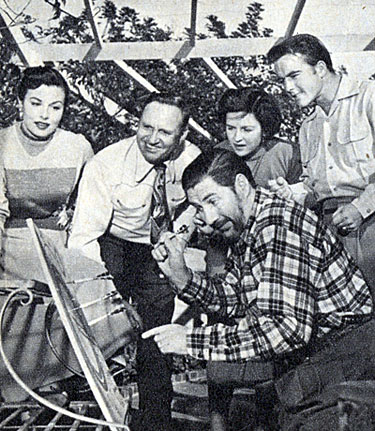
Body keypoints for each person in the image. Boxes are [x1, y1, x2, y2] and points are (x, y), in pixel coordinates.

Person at [144, 149, 375, 430]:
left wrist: (191, 342)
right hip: (323, 356)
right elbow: (233, 299)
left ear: (241, 186)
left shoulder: (277, 224)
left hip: (350, 354)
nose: (207, 217)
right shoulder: (249, 226)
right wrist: (181, 276)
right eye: (199, 207)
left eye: (212, 200)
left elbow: (286, 330)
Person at [68, 92, 201, 431]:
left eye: (165, 132)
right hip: (112, 244)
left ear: (182, 135)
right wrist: (104, 291)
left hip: (158, 247)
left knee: (155, 336)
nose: (153, 138)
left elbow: (196, 207)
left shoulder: (191, 158)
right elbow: (83, 237)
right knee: (103, 327)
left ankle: (156, 422)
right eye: (146, 127)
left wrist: (179, 238)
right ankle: (101, 413)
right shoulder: (106, 164)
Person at [208, 87, 301, 429]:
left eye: (246, 129)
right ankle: (217, 423)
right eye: (231, 128)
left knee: (272, 337)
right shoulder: (216, 154)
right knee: (221, 329)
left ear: (265, 126)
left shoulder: (286, 153)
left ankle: (269, 421)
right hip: (224, 253)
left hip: (272, 257)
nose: (237, 137)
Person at [0, 66, 94, 402]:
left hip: (55, 245)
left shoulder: (78, 147)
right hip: (8, 244)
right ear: (19, 103)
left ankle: (56, 380)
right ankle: (23, 392)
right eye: (36, 103)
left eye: (56, 107)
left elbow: (90, 205)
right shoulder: (2, 142)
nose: (45, 115)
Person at [266, 33, 375, 298]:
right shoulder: (308, 126)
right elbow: (313, 188)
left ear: (321, 68)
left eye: (294, 75)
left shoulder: (369, 98)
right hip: (331, 230)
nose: (287, 87)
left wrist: (361, 208)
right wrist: (290, 193)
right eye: (282, 80)